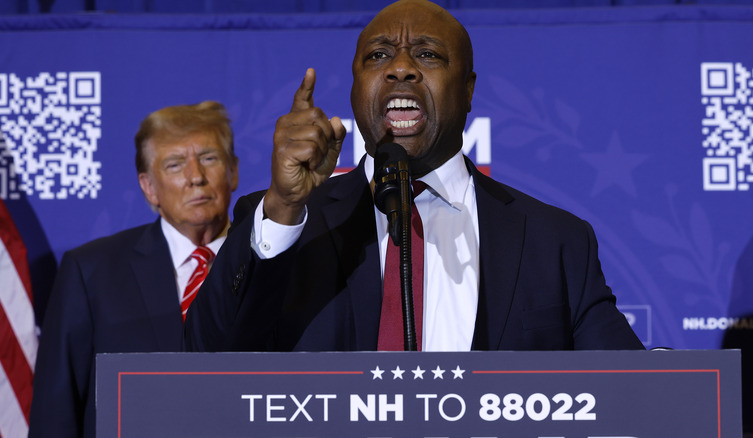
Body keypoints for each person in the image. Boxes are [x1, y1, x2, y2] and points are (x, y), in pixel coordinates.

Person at [185, 0, 642, 353]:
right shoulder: (286, 221)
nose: (400, 68)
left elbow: (630, 396)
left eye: (427, 54)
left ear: (468, 90)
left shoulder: (555, 240)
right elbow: (205, 362)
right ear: (354, 87)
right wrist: (284, 208)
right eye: (379, 55)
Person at [28, 101, 239, 438]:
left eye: (209, 158)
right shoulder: (92, 272)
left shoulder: (268, 261)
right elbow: (56, 413)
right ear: (149, 187)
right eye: (174, 164)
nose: (195, 177)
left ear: (233, 173)